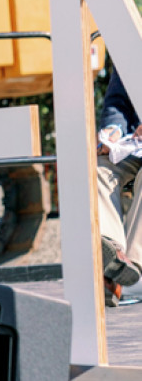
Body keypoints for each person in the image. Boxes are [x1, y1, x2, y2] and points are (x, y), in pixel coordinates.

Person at [97, 68, 142, 305]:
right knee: (99, 169)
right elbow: (118, 100)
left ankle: (133, 265)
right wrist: (111, 131)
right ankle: (112, 258)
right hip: (135, 146)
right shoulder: (134, 36)